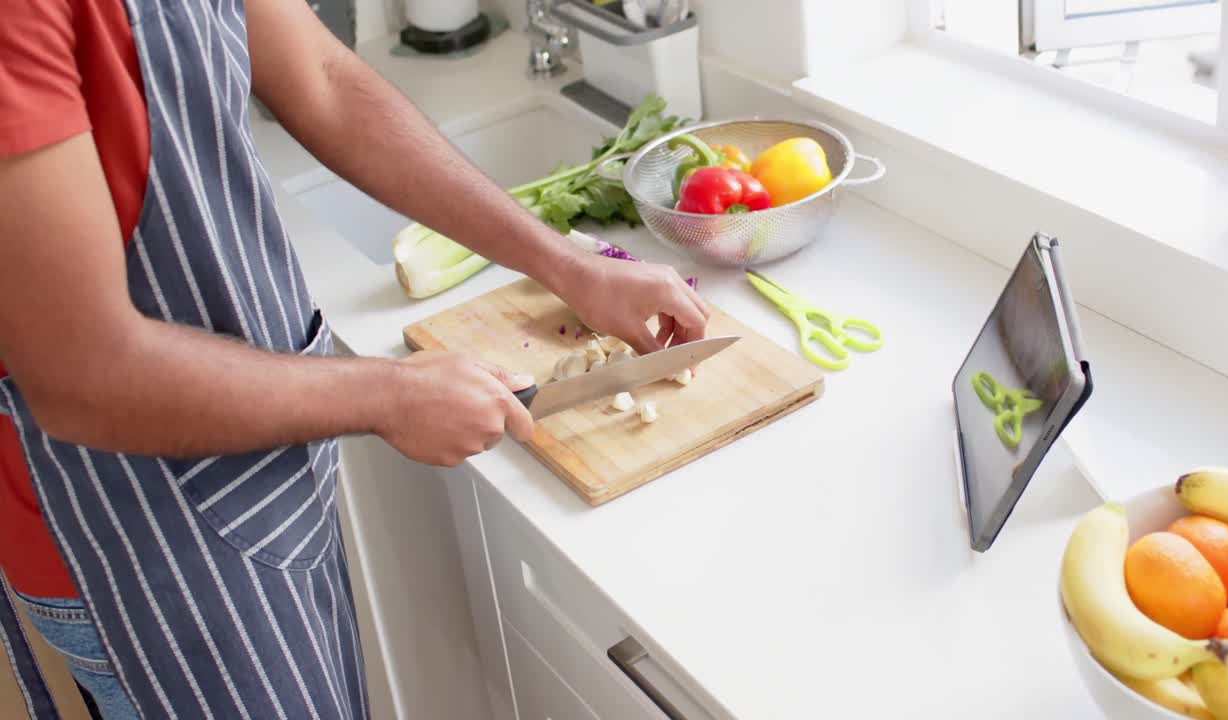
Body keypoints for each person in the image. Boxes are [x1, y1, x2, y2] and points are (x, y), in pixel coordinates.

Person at [0, 0, 709, 717]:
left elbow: (323, 76)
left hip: (259, 483)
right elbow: (82, 375)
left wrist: (566, 264)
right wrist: (386, 396)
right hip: (134, 549)